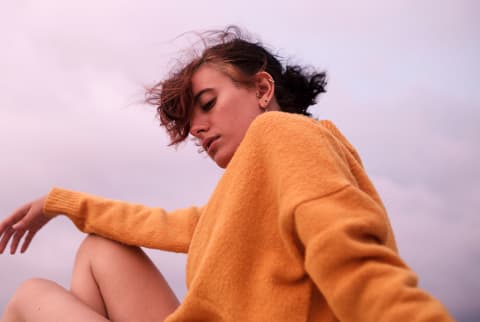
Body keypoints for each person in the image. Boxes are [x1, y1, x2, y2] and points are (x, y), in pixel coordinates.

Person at [0, 26, 453, 322]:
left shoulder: (284, 133)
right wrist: (57, 204)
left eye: (208, 104)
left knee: (28, 297)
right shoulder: (243, 196)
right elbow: (156, 223)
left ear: (261, 88)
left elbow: (347, 250)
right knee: (98, 248)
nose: (197, 128)